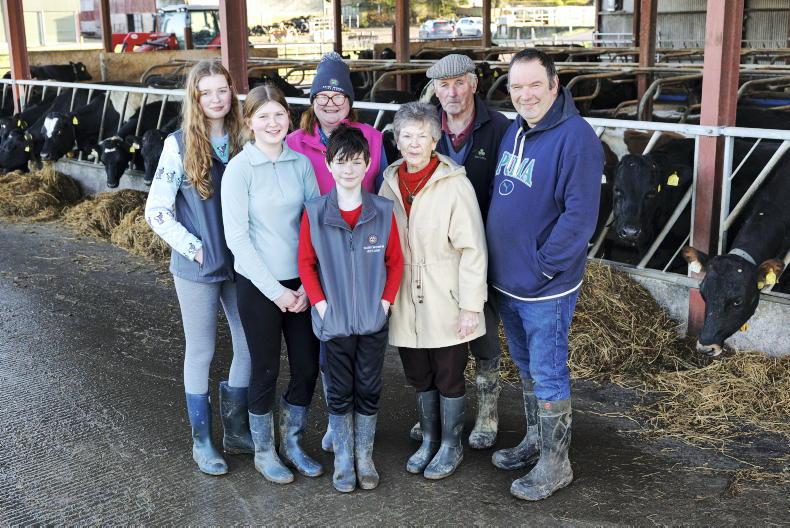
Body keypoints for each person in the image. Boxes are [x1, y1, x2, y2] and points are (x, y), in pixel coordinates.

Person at [486, 49, 603, 500]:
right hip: (508, 280)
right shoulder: (515, 129)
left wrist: (543, 266)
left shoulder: (577, 138)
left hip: (544, 286)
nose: (525, 95)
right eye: (517, 87)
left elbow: (579, 219)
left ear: (555, 85)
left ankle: (557, 464)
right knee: (527, 366)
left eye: (535, 85)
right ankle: (536, 441)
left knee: (549, 370)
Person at [145, 59, 251, 476]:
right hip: (199, 265)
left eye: (221, 90)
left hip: (243, 262)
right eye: (205, 92)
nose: (215, 99)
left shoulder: (246, 137)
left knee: (248, 344)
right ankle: (202, 440)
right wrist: (193, 247)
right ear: (194, 98)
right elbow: (156, 211)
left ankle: (238, 431)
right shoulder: (179, 145)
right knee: (202, 349)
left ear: (232, 92)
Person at [406, 53, 511, 450]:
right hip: (434, 250)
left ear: (473, 84)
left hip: (479, 246)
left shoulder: (500, 129)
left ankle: (487, 408)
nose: (450, 92)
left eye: (459, 83)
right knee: (435, 328)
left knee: (480, 325)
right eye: (442, 85)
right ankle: (438, 412)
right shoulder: (426, 125)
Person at [286, 51, 389, 453]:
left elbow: (379, 193)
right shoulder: (295, 142)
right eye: (322, 96)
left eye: (339, 96)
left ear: (350, 101)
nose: (330, 103)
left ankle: (352, 427)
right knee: (326, 341)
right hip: (315, 250)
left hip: (359, 251)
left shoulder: (373, 137)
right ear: (312, 101)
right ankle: (336, 420)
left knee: (357, 339)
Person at [379, 102, 488, 480]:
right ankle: (429, 438)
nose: (413, 143)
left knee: (448, 373)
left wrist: (471, 306)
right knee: (417, 373)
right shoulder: (389, 181)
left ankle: (451, 444)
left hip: (446, 292)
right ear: (396, 140)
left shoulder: (454, 183)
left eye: (421, 135)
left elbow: (473, 248)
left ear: (435, 138)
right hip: (404, 292)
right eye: (406, 136)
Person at [221, 84, 322, 485]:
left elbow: (315, 224)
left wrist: (308, 287)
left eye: (278, 113)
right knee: (264, 369)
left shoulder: (301, 165)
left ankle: (293, 442)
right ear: (248, 122)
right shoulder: (238, 170)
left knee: (307, 367)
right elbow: (238, 240)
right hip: (260, 286)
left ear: (289, 117)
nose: (272, 122)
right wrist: (277, 291)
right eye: (262, 115)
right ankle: (265, 450)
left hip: (302, 283)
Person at [298, 124, 404, 492]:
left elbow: (396, 262)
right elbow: (306, 264)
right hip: (335, 321)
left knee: (369, 387)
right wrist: (322, 307)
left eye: (356, 162)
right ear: (328, 165)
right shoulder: (315, 212)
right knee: (340, 389)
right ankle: (343, 458)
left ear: (368, 164)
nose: (348, 169)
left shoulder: (382, 210)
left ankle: (365, 457)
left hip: (373, 321)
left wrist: (385, 304)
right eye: (341, 162)